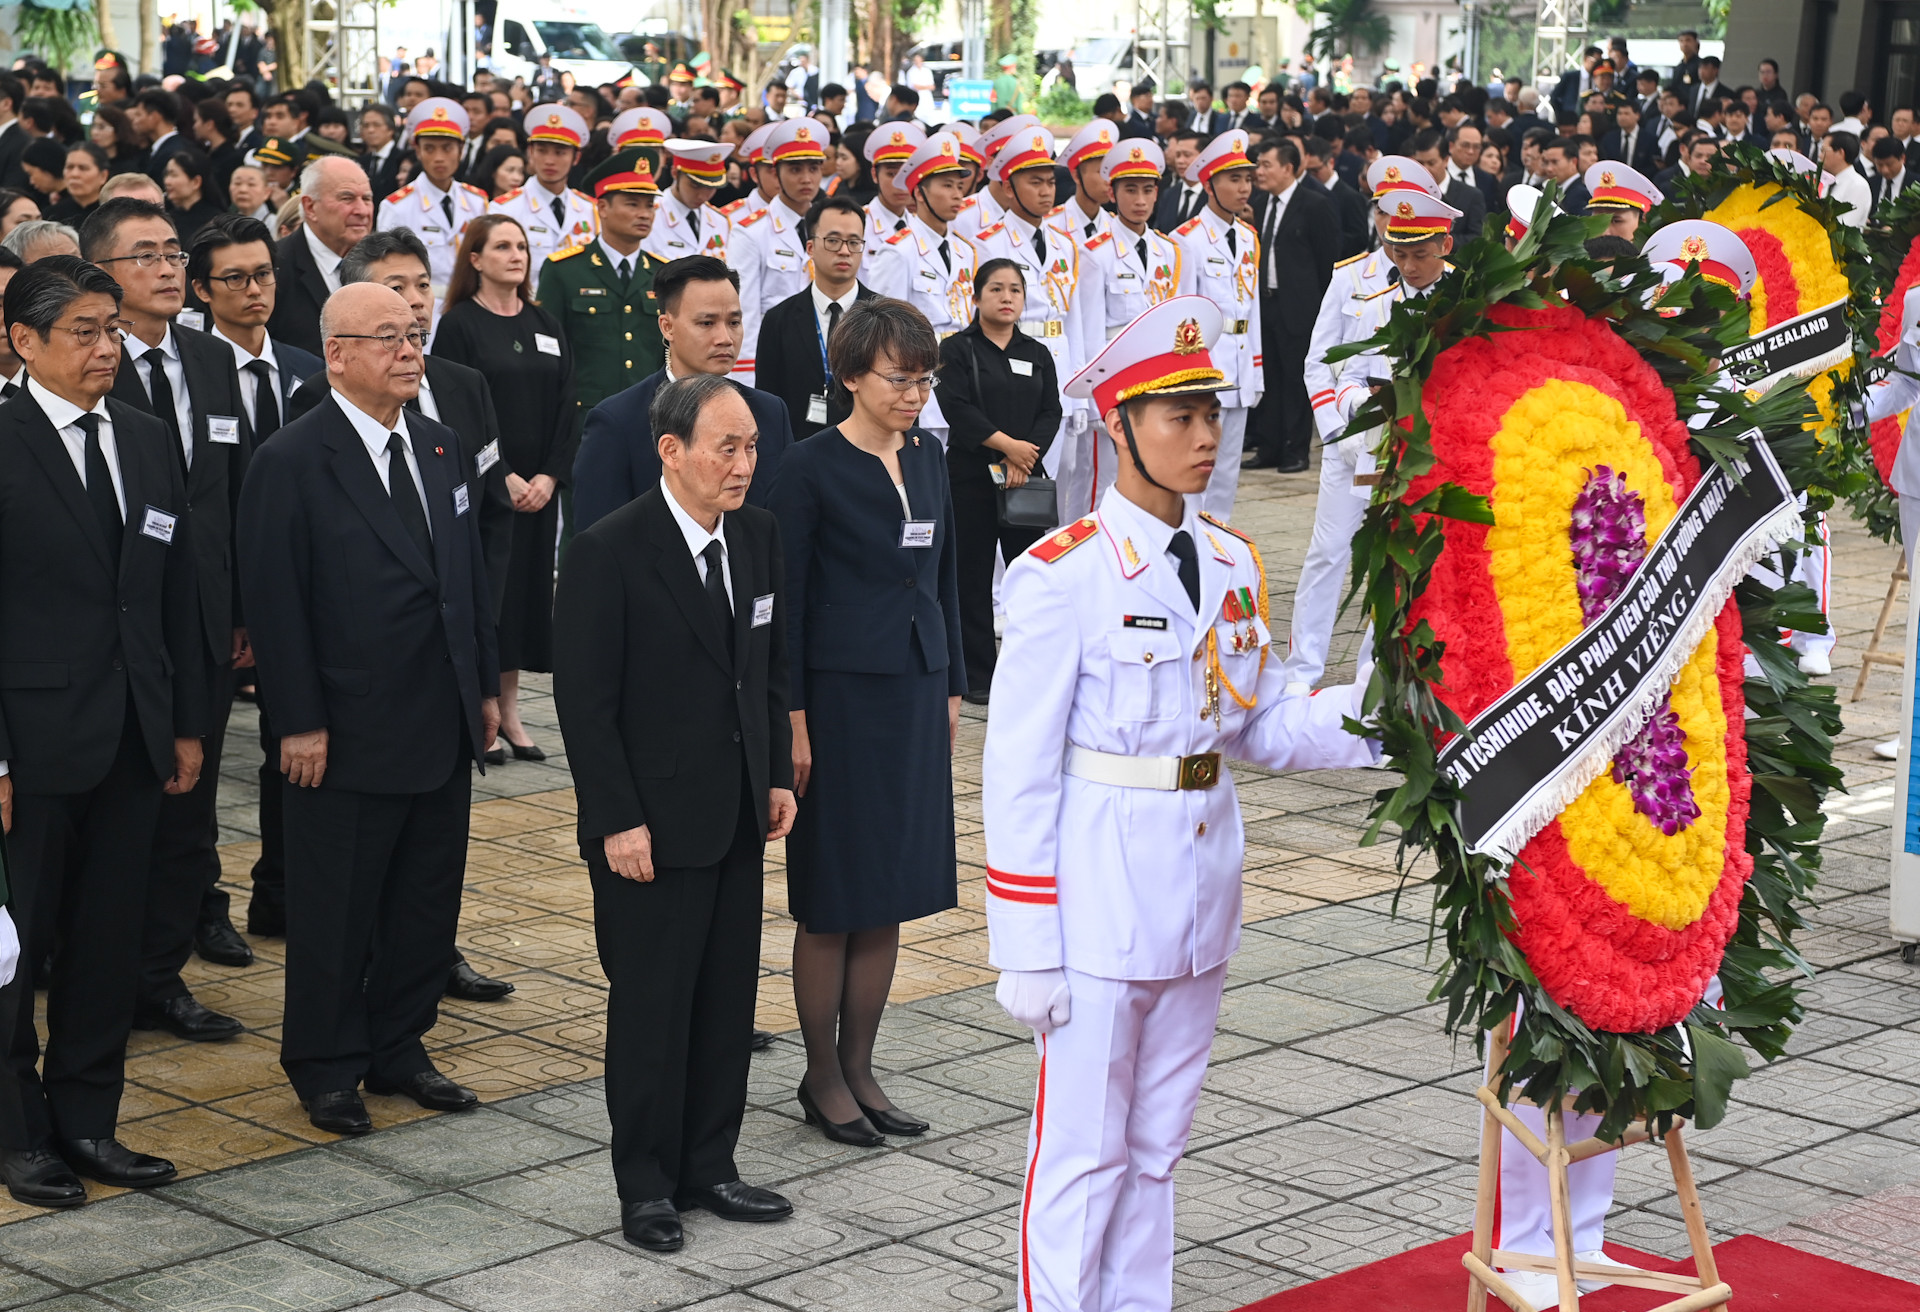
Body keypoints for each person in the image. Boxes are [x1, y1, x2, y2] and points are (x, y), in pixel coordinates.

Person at [987, 294, 1378, 1312]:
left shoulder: (1232, 558)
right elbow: (1017, 768)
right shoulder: (1062, 576)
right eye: (1179, 416)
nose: (1206, 436)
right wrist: (1025, 940)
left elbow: (1261, 721)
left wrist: (1391, 716)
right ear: (1119, 428)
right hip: (1097, 901)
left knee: (1158, 1147)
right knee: (1082, 1155)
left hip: (1201, 892)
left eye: (1212, 413)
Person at [237, 281, 501, 1136]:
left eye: (413, 334)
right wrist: (298, 720)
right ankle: (325, 1065)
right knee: (337, 908)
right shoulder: (291, 458)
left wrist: (483, 689)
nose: (408, 350)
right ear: (337, 355)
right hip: (344, 727)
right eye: (387, 337)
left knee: (425, 899)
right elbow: (275, 602)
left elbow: (465, 577)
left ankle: (400, 1045)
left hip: (440, 714)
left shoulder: (439, 444)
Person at [553, 372, 799, 1251]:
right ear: (671, 450)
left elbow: (766, 669)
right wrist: (617, 819)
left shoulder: (758, 536)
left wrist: (775, 776)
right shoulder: (609, 550)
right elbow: (586, 706)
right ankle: (647, 1185)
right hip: (649, 827)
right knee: (653, 1010)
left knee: (726, 1002)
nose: (744, 465)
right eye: (727, 448)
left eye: (752, 448)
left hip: (734, 811)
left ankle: (710, 1165)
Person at [0, 256, 207, 1207]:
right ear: (23, 340)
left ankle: (88, 1119)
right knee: (17, 949)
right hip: (30, 743)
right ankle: (17, 1132)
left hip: (132, 736)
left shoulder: (147, 435)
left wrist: (184, 724)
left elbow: (172, 591)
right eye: (83, 331)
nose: (106, 348)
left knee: (106, 941)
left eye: (111, 329)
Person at [768, 296, 962, 1146]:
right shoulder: (806, 467)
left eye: (924, 381)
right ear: (850, 375)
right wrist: (793, 720)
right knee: (835, 894)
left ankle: (862, 1066)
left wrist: (952, 683)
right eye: (898, 380)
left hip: (915, 687)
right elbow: (787, 604)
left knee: (890, 886)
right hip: (839, 700)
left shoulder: (929, 455)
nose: (913, 396)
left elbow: (945, 575)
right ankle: (821, 1074)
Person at [80, 198, 256, 1042]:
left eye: (174, 252)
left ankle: (160, 976)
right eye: (144, 254)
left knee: (191, 811)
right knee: (120, 816)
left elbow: (233, 489)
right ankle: (94, 979)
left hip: (204, 623)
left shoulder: (211, 356)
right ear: (103, 274)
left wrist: (241, 610)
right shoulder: (89, 364)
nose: (167, 268)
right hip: (120, 626)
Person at [433, 213, 573, 763]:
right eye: (502, 247)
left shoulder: (543, 321)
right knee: (490, 598)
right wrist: (503, 474)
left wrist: (550, 475)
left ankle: (511, 713)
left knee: (524, 603)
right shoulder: (460, 325)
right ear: (475, 259)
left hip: (539, 492)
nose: (516, 255)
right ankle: (478, 707)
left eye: (521, 246)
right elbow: (455, 409)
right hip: (490, 490)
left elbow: (566, 402)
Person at [573, 256, 793, 526]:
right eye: (707, 323)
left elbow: (784, 520)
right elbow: (597, 535)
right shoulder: (618, 422)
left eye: (734, 322)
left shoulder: (770, 413)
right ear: (667, 327)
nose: (725, 338)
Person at [939, 257, 1060, 701]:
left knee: (1030, 574)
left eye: (1015, 290)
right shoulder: (956, 350)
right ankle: (977, 676)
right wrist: (1009, 447)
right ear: (975, 297)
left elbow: (1051, 410)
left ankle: (1030, 667)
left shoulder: (1037, 352)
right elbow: (956, 408)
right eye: (996, 288)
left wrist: (1025, 457)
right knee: (970, 578)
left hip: (1023, 481)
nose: (1006, 297)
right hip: (970, 479)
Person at [1071, 138, 1181, 516]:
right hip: (1112, 382)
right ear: (1112, 194)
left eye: (1147, 190)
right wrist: (1092, 399)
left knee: (1150, 474)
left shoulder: (1169, 251)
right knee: (1101, 480)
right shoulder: (1095, 253)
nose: (1140, 200)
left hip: (1156, 379)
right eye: (1130, 190)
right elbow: (1088, 330)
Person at [536, 149, 667, 460]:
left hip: (649, 419)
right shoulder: (564, 270)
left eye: (649, 205)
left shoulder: (662, 274)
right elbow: (548, 353)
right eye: (632, 204)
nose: (644, 214)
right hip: (584, 418)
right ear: (603, 208)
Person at [1171, 131, 1261, 520]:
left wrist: (1256, 370)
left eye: (1247, 179)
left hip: (1239, 364)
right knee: (1195, 462)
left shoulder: (1249, 237)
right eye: (1234, 179)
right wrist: (1187, 374)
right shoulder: (1186, 240)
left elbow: (1253, 309)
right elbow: (1182, 314)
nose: (1244, 189)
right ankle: (1189, 535)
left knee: (1227, 470)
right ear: (1209, 185)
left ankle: (1218, 536)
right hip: (1205, 364)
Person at [1245, 136, 1337, 475]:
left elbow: (1327, 260)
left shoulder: (1315, 204)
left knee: (1296, 381)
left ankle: (1296, 450)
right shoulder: (1259, 203)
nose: (1259, 171)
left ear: (1288, 168)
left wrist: (1322, 311)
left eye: (1266, 165)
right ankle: (1268, 447)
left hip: (1299, 308)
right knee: (1269, 378)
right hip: (1265, 304)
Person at [753, 194, 873, 437]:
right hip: (799, 447)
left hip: (869, 447)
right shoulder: (779, 320)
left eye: (853, 242)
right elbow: (767, 402)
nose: (844, 251)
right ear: (810, 248)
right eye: (833, 241)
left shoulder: (886, 317)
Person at [727, 118, 826, 387]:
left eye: (814, 168)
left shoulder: (828, 226)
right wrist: (746, 381)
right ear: (776, 172)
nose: (806, 179)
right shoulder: (751, 232)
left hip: (824, 359)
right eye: (795, 169)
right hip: (773, 359)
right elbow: (743, 309)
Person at [376, 99, 489, 312]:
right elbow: (388, 271)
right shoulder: (397, 206)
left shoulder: (477, 201)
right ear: (417, 151)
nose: (439, 158)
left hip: (473, 307)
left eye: (447, 148)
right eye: (429, 148)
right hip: (421, 310)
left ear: (461, 150)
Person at [270, 155, 374, 356]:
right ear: (310, 207)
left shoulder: (381, 262)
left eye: (367, 199)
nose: (362, 211)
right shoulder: (274, 268)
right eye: (347, 198)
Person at [492, 104, 596, 285]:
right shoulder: (505, 209)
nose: (549, 161)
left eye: (559, 153)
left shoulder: (590, 209)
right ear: (530, 152)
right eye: (542, 151)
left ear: (576, 158)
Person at [644, 138, 733, 263]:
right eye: (695, 186)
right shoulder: (650, 217)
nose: (703, 196)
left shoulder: (720, 221)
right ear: (675, 173)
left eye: (711, 188)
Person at [160, 148, 223, 243]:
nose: (167, 181)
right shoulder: (168, 219)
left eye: (174, 175)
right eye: (166, 175)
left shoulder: (215, 222)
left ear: (196, 182)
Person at [49, 145, 108, 226]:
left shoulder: (112, 212)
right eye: (69, 167)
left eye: (83, 168)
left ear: (103, 176)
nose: (74, 174)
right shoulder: (52, 215)